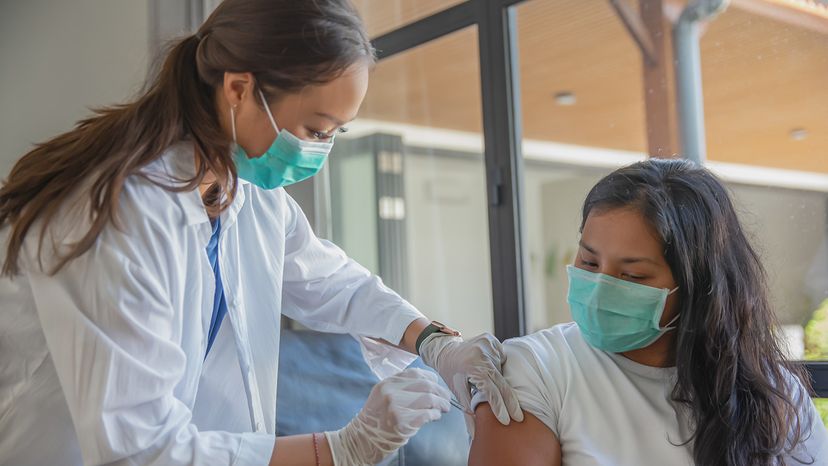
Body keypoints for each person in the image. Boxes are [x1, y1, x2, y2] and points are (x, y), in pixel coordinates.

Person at [0, 1, 522, 465]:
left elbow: (335, 283)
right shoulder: (118, 216)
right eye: (315, 130)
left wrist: (433, 342)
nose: (321, 152)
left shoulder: (248, 194)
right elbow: (140, 448)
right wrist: (341, 450)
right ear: (239, 88)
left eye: (337, 133)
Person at [469, 159, 827, 465]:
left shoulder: (774, 394)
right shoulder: (534, 369)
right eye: (589, 261)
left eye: (632, 275)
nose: (599, 288)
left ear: (696, 284)